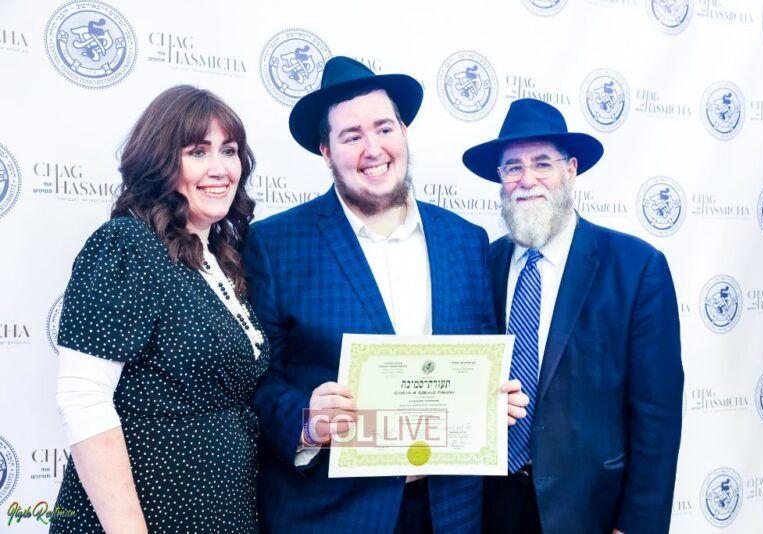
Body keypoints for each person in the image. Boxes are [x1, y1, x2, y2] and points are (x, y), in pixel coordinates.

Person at [244, 57, 528, 533]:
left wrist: (493, 397)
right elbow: (255, 380)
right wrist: (307, 421)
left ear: (404, 132)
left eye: (384, 128)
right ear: (326, 151)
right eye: (351, 136)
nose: (373, 149)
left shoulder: (465, 240)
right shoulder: (275, 244)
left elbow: (479, 355)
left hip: (449, 512)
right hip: (332, 514)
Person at [51, 85, 268, 533]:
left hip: (222, 514)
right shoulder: (127, 245)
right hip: (146, 517)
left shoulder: (224, 259)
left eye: (229, 151)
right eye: (198, 152)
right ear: (160, 160)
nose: (220, 168)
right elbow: (83, 398)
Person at [462, 99, 683, 534]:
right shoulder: (481, 265)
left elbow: (658, 416)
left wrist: (638, 525)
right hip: (489, 508)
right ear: (500, 179)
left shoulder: (636, 267)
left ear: (571, 170)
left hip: (589, 511)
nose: (527, 180)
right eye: (513, 168)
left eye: (542, 164)